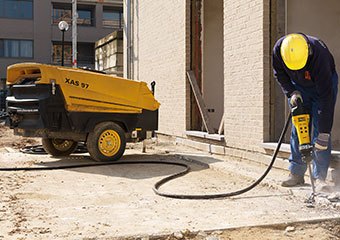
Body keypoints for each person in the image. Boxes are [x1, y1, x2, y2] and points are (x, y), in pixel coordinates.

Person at [272, 33, 338, 188]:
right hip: (298, 88)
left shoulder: (319, 55)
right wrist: (291, 91)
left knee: (320, 135)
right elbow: (279, 74)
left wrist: (324, 131)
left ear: (308, 52)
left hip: (322, 87)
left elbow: (325, 101)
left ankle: (319, 178)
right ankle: (296, 173)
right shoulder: (280, 50)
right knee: (299, 129)